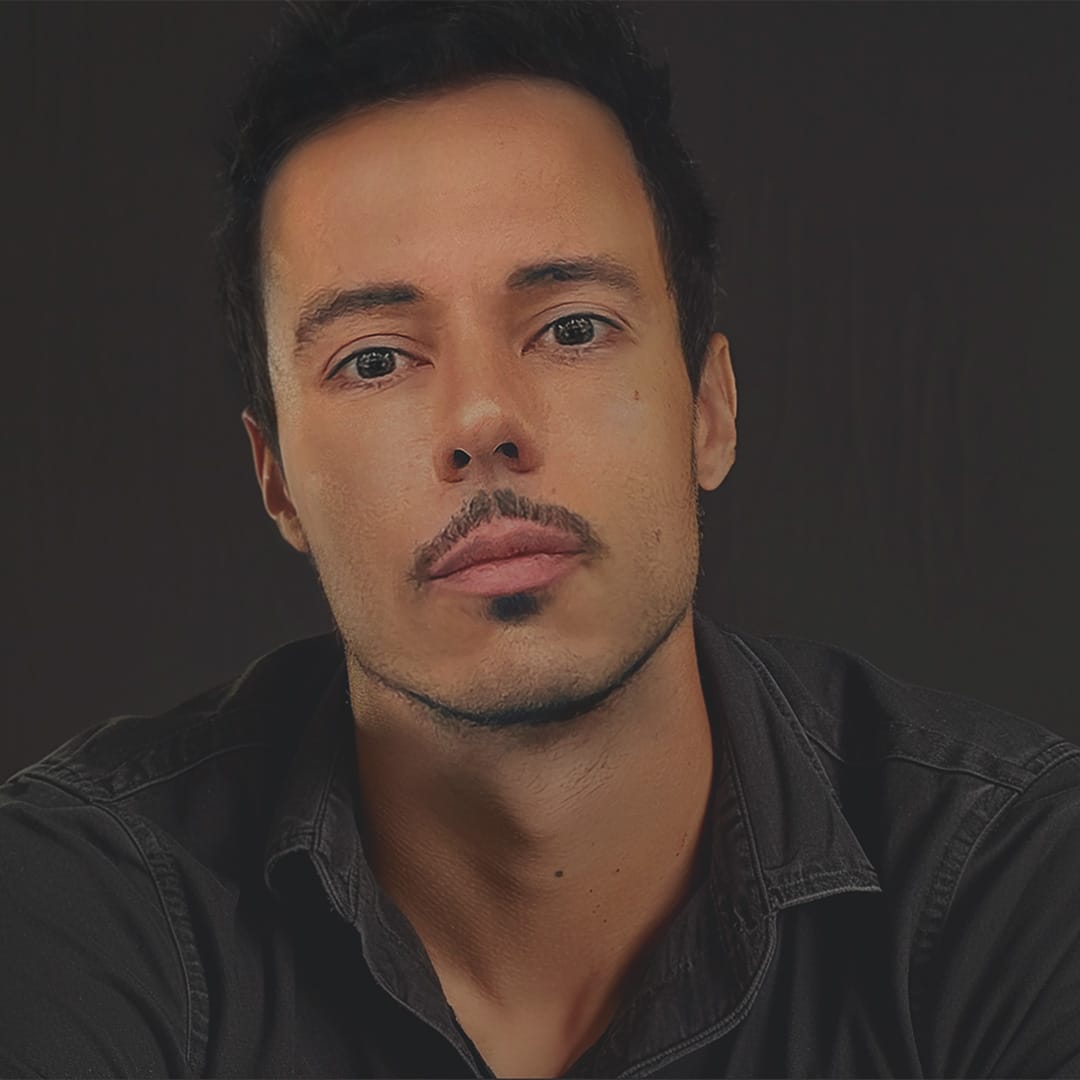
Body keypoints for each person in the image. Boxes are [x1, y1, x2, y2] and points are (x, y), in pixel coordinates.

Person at [2, 2, 1078, 1076]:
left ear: (708, 410)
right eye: (375, 359)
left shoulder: (1010, 880)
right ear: (276, 480)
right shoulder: (86, 905)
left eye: (572, 329)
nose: (483, 423)